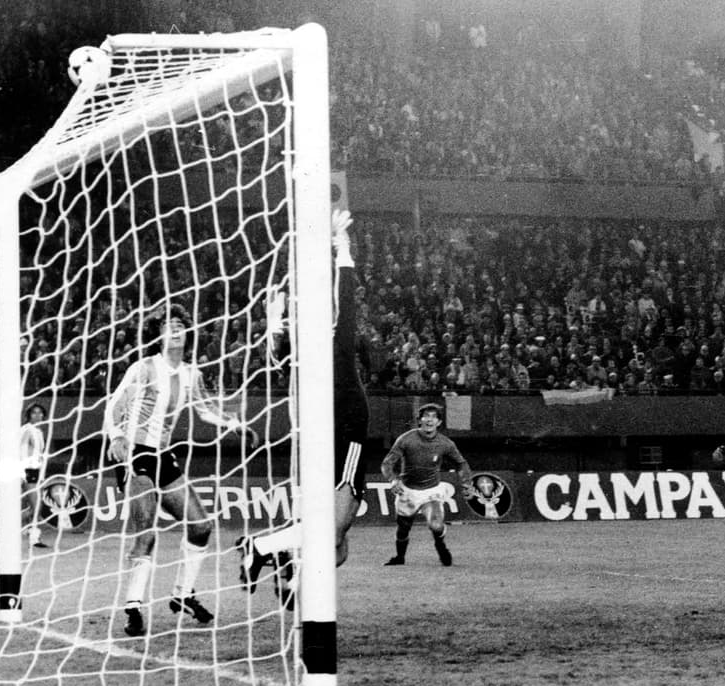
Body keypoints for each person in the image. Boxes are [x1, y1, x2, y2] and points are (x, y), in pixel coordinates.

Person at [236, 209, 367, 609]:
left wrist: (274, 322)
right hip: (344, 433)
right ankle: (261, 546)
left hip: (325, 434)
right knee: (331, 537)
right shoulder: (323, 341)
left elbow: (277, 359)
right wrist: (340, 245)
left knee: (338, 547)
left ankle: (288, 570)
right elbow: (345, 293)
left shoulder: (318, 343)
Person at [105, 303, 255, 637]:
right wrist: (116, 437)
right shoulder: (143, 368)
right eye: (168, 325)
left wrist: (235, 425)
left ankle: (183, 595)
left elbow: (205, 411)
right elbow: (115, 405)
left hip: (164, 456)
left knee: (201, 526)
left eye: (180, 324)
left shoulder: (191, 374)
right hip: (135, 454)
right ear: (158, 335)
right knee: (147, 532)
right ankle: (133, 608)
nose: (176, 330)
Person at [381, 402, 474, 567]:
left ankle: (440, 544)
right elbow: (387, 464)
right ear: (420, 420)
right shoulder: (406, 439)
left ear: (439, 422)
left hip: (431, 491)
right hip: (408, 491)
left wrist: (467, 483)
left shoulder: (446, 443)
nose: (429, 420)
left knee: (436, 525)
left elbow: (461, 464)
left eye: (434, 417)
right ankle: (400, 558)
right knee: (403, 529)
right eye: (426, 416)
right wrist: (394, 480)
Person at [20, 403, 48, 548]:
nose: (37, 415)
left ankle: (27, 529)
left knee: (36, 506)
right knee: (36, 506)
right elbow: (22, 451)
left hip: (38, 471)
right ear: (28, 415)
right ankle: (34, 538)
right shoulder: (26, 430)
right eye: (34, 413)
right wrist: (22, 473)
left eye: (40, 412)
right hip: (28, 471)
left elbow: (39, 453)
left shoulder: (39, 432)